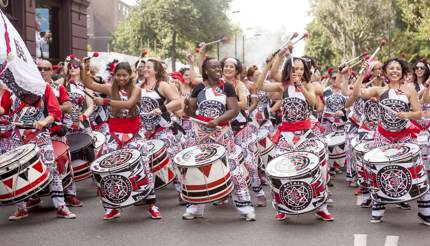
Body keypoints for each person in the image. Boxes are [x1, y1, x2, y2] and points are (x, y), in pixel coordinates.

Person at [256, 49, 334, 221]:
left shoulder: (309, 85)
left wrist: (300, 86)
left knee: (318, 168)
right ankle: (283, 206)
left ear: (304, 71)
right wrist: (268, 65)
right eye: (294, 69)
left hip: (307, 135)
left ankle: (321, 207)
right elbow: (259, 86)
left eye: (300, 69)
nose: (297, 71)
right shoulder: (282, 87)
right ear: (288, 71)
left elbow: (313, 103)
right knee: (278, 170)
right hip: (286, 136)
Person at [351, 58, 430, 225]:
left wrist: (407, 115)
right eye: (391, 68)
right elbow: (358, 93)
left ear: (402, 72)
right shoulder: (379, 90)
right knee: (379, 171)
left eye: (398, 68)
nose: (394, 71)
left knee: (417, 171)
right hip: (383, 137)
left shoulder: (409, 90)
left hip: (404, 137)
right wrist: (361, 73)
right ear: (385, 72)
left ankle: (424, 211)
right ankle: (378, 210)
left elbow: (418, 113)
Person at [82, 61, 161, 220]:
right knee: (108, 169)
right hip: (114, 135)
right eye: (118, 75)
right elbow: (88, 83)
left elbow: (129, 104)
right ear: (114, 75)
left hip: (134, 135)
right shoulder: (110, 88)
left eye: (124, 75)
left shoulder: (137, 89)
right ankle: (113, 207)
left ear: (130, 75)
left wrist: (105, 101)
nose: (121, 78)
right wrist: (85, 68)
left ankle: (151, 204)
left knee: (144, 167)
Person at [182, 56, 256, 221]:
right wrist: (187, 105)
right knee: (196, 168)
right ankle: (195, 208)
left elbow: (234, 110)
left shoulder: (227, 87)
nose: (218, 70)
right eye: (213, 67)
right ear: (206, 71)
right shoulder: (199, 88)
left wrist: (217, 120)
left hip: (222, 134)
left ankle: (246, 208)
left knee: (233, 168)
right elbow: (191, 112)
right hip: (200, 136)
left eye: (219, 67)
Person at [4, 81, 76, 220]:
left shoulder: (43, 87)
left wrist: (43, 122)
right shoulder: (10, 91)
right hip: (16, 136)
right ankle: (21, 208)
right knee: (16, 170)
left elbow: (54, 111)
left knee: (51, 168)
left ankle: (61, 207)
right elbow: (4, 111)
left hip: (40, 134)